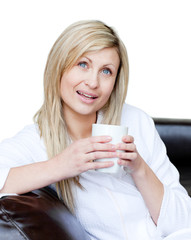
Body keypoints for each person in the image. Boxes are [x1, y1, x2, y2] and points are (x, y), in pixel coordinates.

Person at [0, 20, 191, 240]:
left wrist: (139, 168)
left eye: (106, 71)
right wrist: (62, 165)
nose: (93, 82)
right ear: (59, 66)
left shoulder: (135, 120)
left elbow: (184, 220)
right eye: (83, 64)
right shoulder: (36, 141)